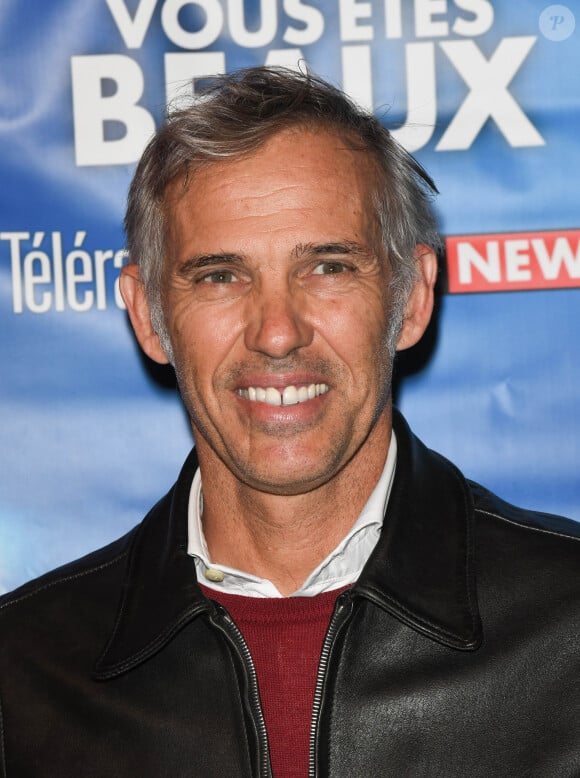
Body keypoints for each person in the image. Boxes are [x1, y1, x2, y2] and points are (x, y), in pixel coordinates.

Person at [1, 66, 579, 778]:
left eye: (328, 268)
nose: (277, 333)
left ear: (413, 297)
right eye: (220, 275)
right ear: (149, 316)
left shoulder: (569, 626)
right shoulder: (22, 672)